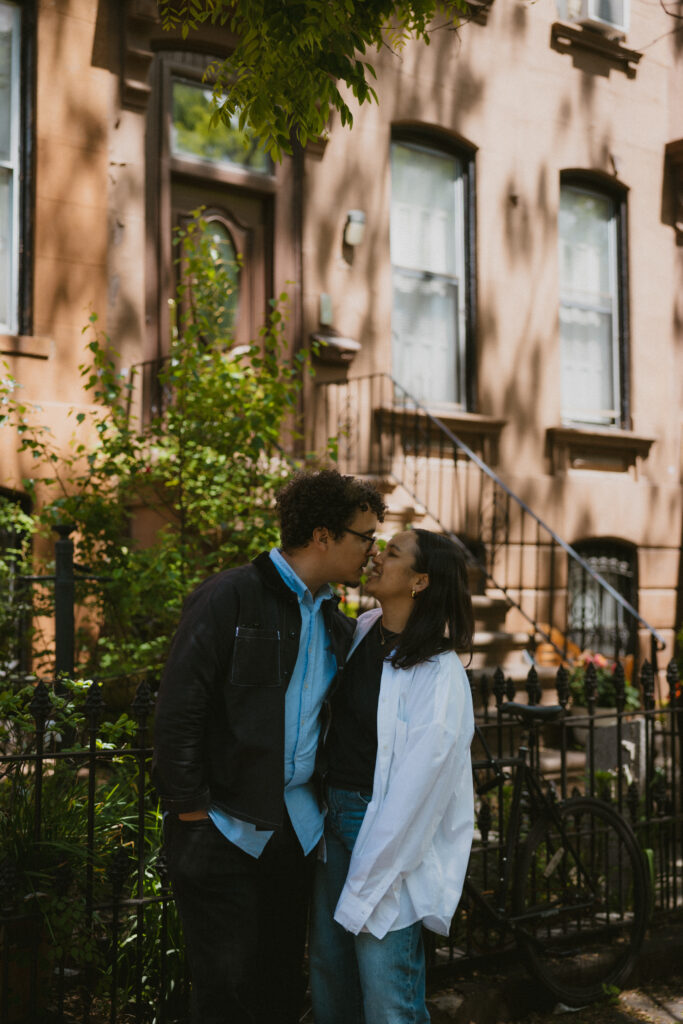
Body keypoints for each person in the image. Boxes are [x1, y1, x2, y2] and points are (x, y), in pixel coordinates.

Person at [151, 469, 385, 1024]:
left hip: (296, 833)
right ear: (324, 536)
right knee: (224, 997)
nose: (372, 551)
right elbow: (180, 710)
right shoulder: (228, 596)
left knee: (279, 990)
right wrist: (190, 810)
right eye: (366, 536)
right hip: (222, 828)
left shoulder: (334, 621)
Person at [309, 528, 475, 1024]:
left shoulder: (439, 674)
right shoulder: (365, 629)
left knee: (388, 994)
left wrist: (373, 870)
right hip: (332, 818)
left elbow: (416, 794)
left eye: (393, 553)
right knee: (330, 974)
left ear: (420, 581)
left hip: (383, 831)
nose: (377, 557)